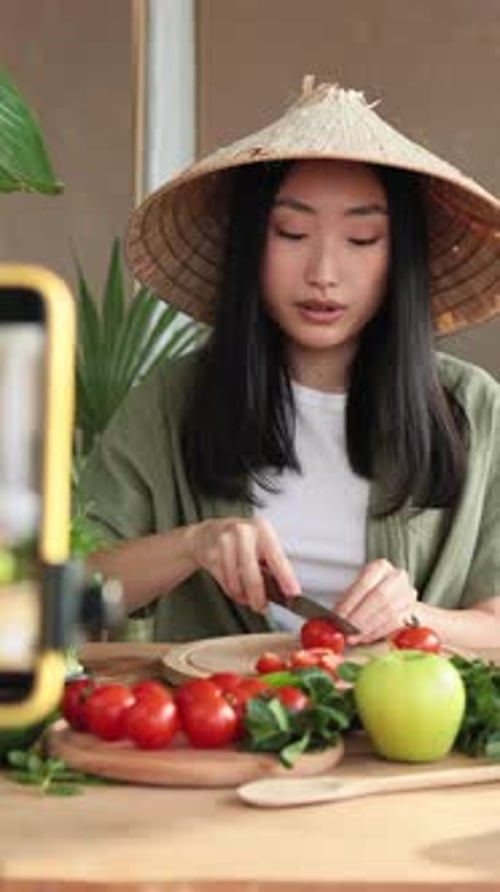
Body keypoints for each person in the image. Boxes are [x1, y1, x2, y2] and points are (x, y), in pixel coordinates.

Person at [82, 76, 500, 649]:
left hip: (411, 735)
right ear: (252, 243)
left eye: (361, 238)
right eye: (292, 232)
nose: (323, 272)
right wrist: (193, 544)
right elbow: (72, 589)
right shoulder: (169, 400)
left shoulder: (476, 407)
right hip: (215, 729)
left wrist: (416, 618)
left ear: (399, 255)